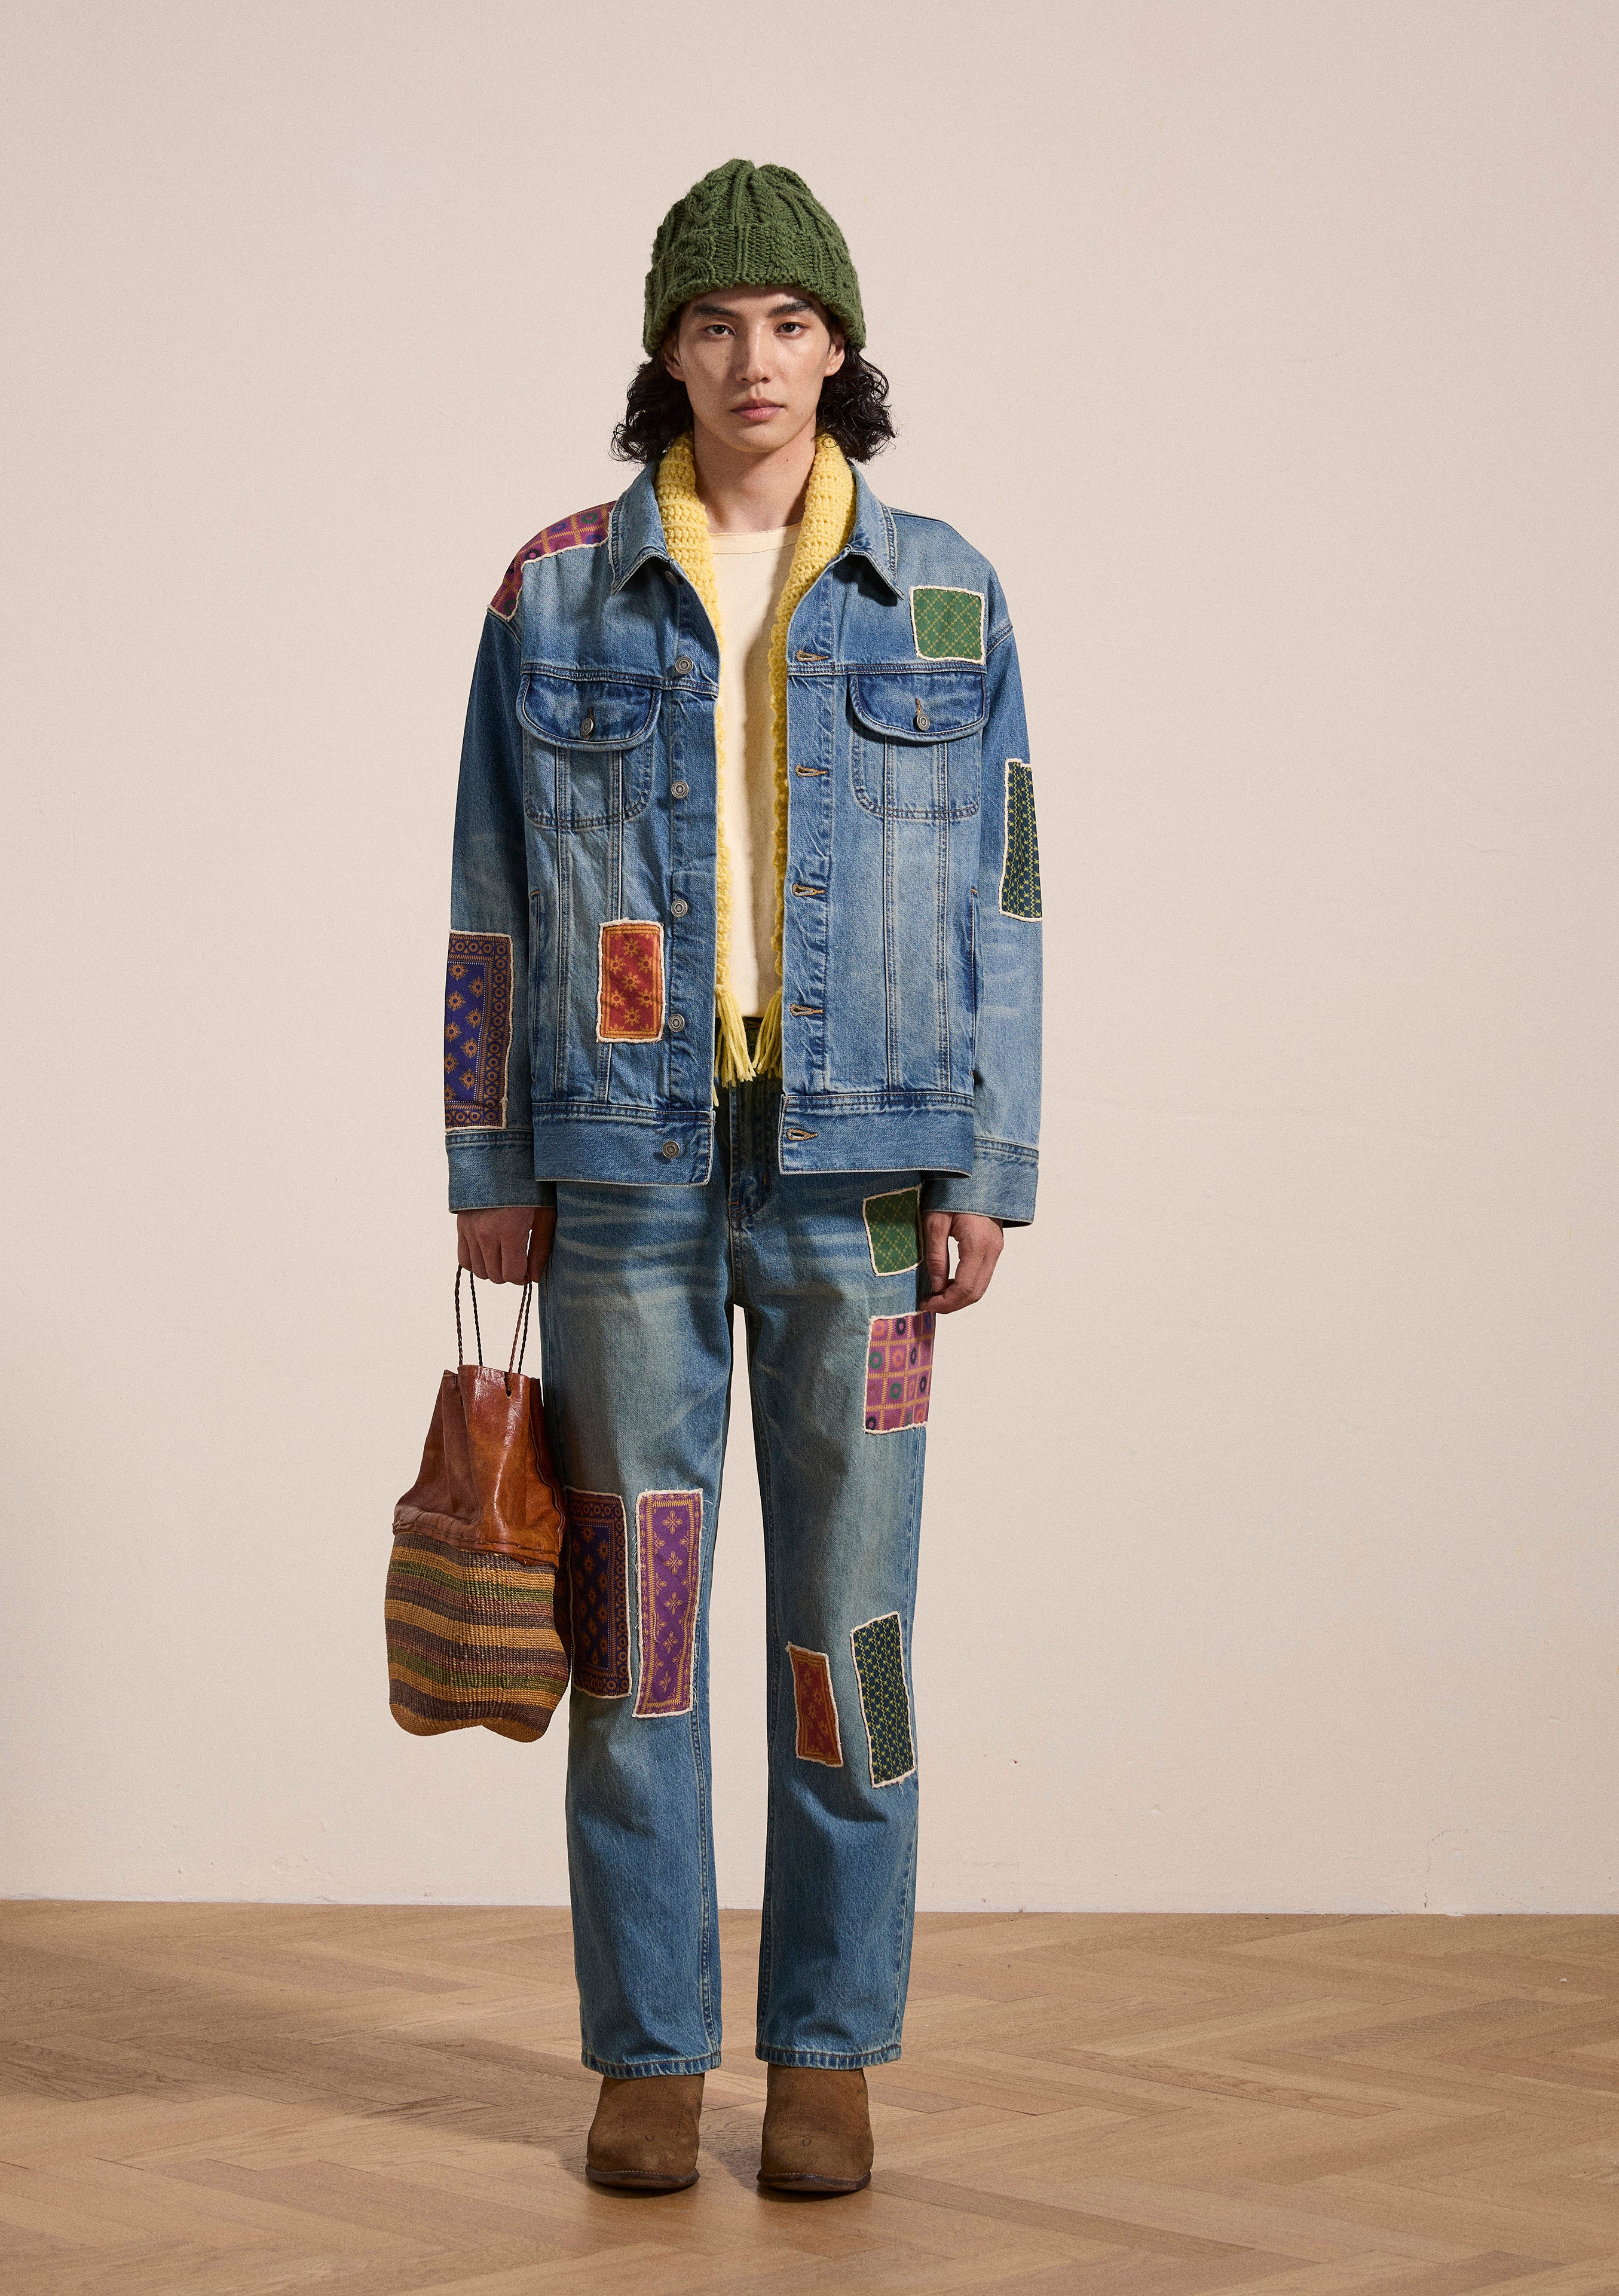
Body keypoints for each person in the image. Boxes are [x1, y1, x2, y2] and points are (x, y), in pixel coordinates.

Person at [444, 159, 1041, 2196]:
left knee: (849, 1634)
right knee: (638, 1630)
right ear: (662, 354)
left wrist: (989, 1161)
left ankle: (827, 2049)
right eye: (714, 323)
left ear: (841, 349)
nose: (753, 359)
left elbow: (1007, 898)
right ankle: (645, 2052)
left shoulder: (948, 588)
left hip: (867, 1180)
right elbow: (492, 896)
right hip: (619, 1171)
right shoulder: (548, 588)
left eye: (790, 323)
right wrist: (482, 1157)